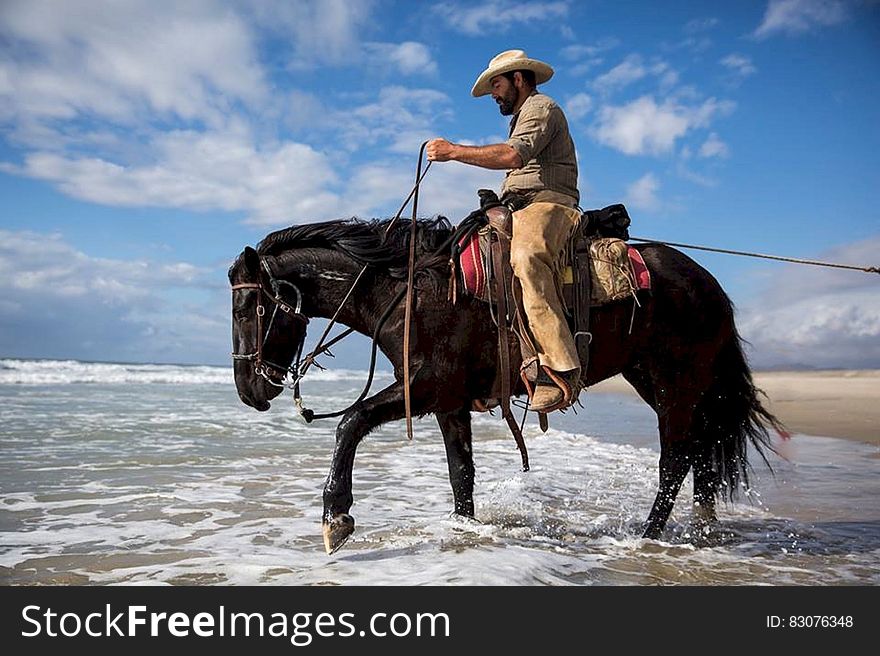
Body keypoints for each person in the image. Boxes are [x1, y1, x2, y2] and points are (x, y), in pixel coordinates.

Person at [427, 49, 582, 413]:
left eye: (496, 84)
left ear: (518, 78)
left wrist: (452, 152)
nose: (494, 94)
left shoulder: (543, 109)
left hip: (549, 203)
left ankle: (561, 367)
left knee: (527, 259)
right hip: (517, 204)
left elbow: (514, 157)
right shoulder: (521, 116)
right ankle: (496, 367)